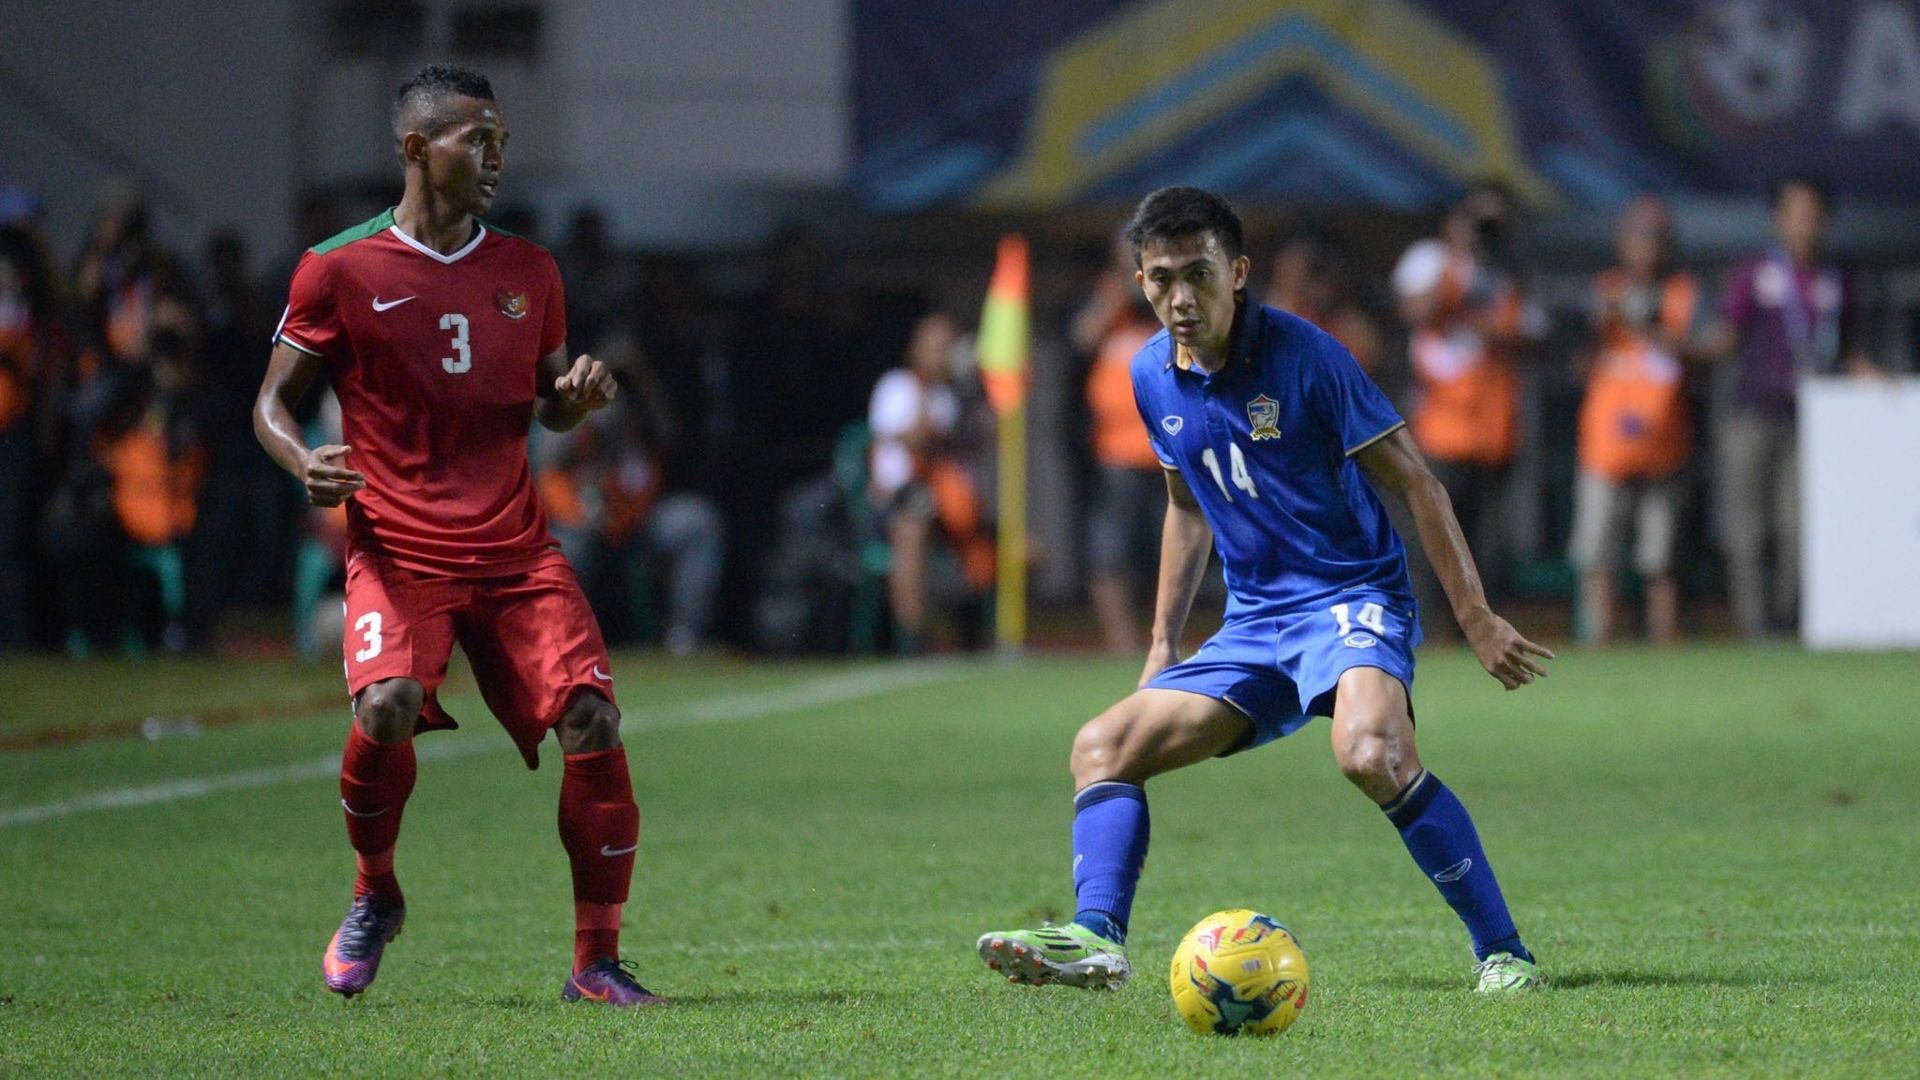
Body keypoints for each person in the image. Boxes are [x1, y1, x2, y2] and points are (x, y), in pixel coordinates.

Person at [976, 187, 1553, 994]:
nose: (1180, 298)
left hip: (1353, 598)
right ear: (1141, 281)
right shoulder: (1151, 375)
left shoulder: (1308, 356)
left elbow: (1418, 484)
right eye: (1160, 277)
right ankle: (1096, 937)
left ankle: (1503, 952)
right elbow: (1187, 508)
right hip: (1254, 623)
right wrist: (1161, 645)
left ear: (1238, 272)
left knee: (1370, 753)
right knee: (1102, 747)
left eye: (1198, 274)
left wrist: (1478, 618)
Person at [253, 65, 661, 1007]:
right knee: (385, 706)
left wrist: (578, 400)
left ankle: (595, 964)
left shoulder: (529, 271)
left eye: (502, 143)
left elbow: (548, 409)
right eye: (476, 139)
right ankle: (374, 893)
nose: (494, 159)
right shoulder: (339, 267)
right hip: (399, 548)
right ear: (414, 148)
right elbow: (271, 403)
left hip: (517, 549)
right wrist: (299, 459)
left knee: (594, 717)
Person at [1709, 176, 1874, 639]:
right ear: (1779, 220)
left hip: (1812, 421)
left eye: (1813, 214)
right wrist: (1687, 349)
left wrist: (1881, 384)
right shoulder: (1754, 271)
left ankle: (1788, 622)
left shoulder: (1838, 276)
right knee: (1747, 530)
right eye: (1796, 213)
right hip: (1750, 414)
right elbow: (1726, 337)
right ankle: (1754, 628)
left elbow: (1850, 349)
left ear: (1826, 220)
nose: (1805, 224)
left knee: (1799, 529)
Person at [1391, 183, 1543, 629]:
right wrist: (1459, 257)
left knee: (1485, 542)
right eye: (1480, 219)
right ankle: (1429, 628)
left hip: (1495, 425)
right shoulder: (1433, 259)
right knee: (1431, 532)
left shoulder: (1510, 271)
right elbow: (1418, 311)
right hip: (1440, 423)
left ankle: (1480, 631)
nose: (1487, 231)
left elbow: (1535, 335)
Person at [1569, 197, 1706, 646]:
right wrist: (1601, 322)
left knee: (1660, 558)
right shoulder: (1604, 291)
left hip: (1664, 443)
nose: (1646, 248)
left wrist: (1648, 324)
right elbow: (1577, 366)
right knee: (1596, 556)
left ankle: (1664, 644)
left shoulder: (1683, 293)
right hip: (1606, 446)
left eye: (1655, 239)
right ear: (1622, 243)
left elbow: (1704, 355)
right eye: (1638, 238)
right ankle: (1598, 643)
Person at [866, 310, 993, 653]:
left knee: (1017, 545)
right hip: (899, 498)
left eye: (947, 347)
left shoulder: (956, 397)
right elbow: (913, 441)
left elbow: (981, 444)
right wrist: (927, 389)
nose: (942, 355)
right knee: (914, 519)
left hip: (950, 502)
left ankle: (977, 638)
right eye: (935, 347)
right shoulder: (899, 386)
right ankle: (911, 638)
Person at [1072, 231, 1165, 653]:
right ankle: (1121, 646)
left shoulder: (1170, 295)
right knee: (1110, 554)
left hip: (1170, 449)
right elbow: (1081, 338)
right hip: (1115, 454)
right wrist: (1116, 294)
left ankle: (1164, 641)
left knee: (1165, 555)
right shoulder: (1104, 299)